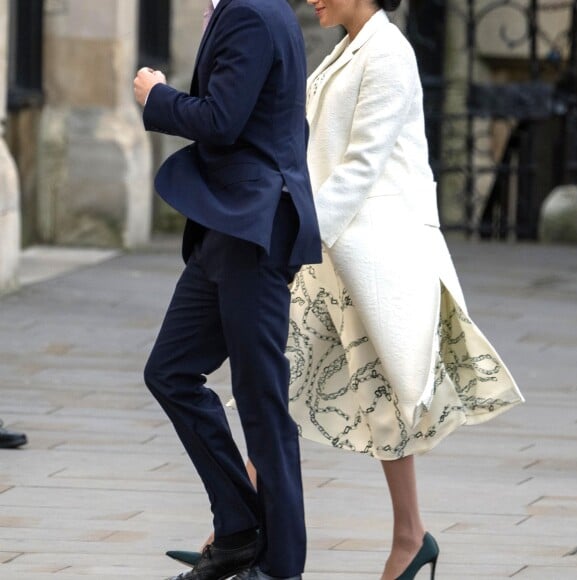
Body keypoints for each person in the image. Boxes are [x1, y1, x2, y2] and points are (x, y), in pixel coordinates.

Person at [165, 0, 524, 578]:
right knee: (279, 380)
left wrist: (291, 235)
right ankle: (241, 531)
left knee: (362, 390)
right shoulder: (345, 49)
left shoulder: (389, 53)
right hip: (328, 250)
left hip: (369, 252)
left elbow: (360, 166)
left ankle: (405, 536)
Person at [133, 0, 321, 578]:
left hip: (254, 231)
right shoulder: (249, 9)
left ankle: (281, 566)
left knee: (263, 401)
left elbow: (222, 120)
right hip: (228, 227)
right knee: (170, 371)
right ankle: (239, 528)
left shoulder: (251, 12)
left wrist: (156, 97)